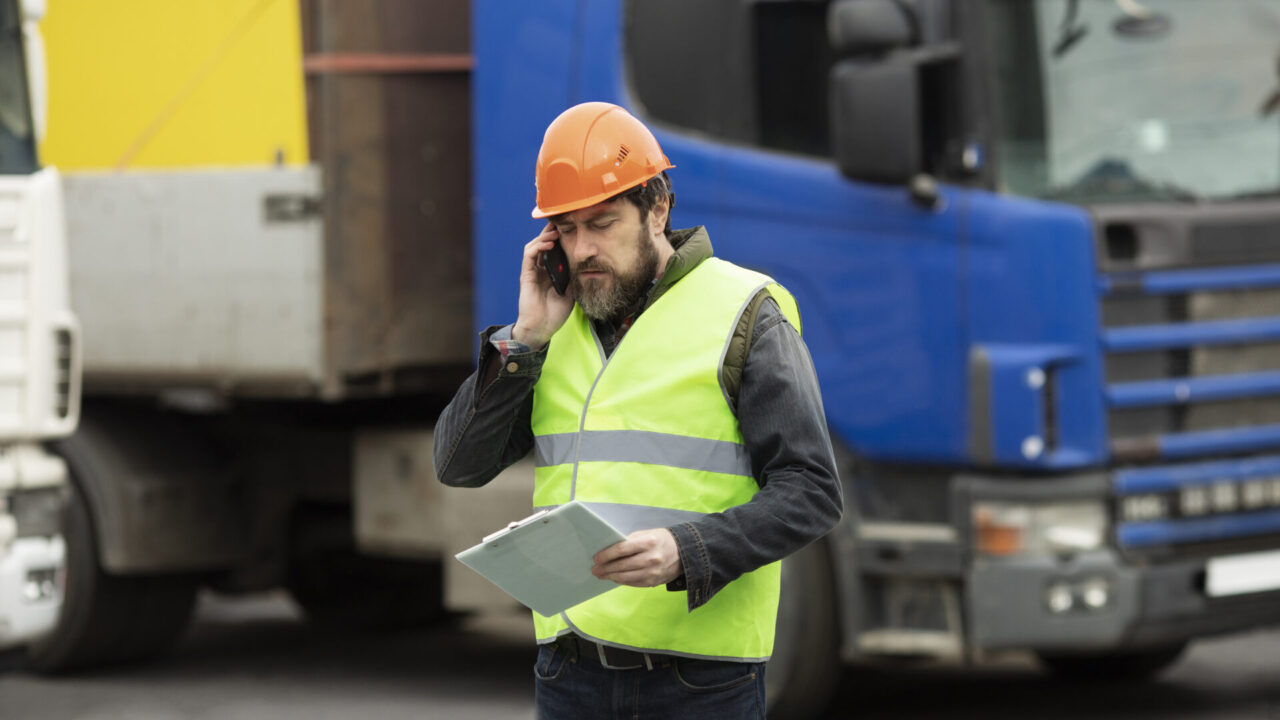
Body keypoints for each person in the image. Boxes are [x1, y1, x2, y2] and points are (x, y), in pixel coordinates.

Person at [434, 101, 842, 720]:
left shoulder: (745, 313)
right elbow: (458, 466)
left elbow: (812, 490)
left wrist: (690, 550)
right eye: (566, 231)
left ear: (658, 209)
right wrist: (524, 340)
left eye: (601, 224)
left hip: (700, 685)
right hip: (569, 673)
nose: (583, 249)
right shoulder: (550, 329)